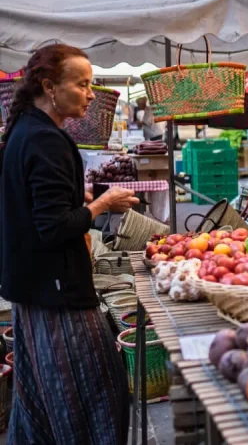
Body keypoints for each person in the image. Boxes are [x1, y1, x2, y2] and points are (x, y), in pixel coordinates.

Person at [0, 44, 139, 444]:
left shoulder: (26, 132)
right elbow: (53, 226)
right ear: (49, 87)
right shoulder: (46, 140)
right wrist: (101, 204)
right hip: (55, 296)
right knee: (97, 396)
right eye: (83, 84)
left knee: (38, 402)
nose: (91, 94)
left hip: (31, 290)